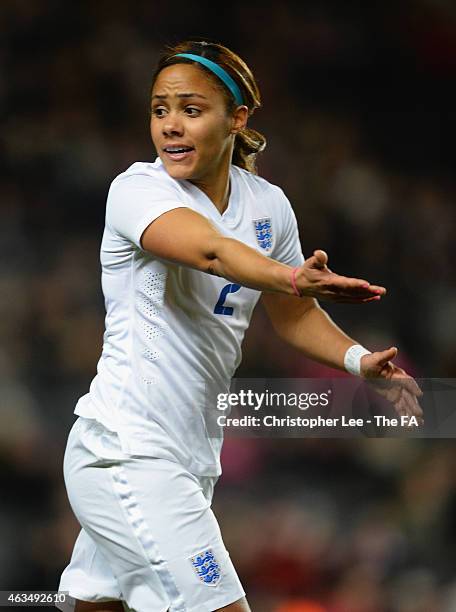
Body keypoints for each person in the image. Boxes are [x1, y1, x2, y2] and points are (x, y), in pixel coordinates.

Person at [57, 40, 422, 612]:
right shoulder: (137, 190)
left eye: (191, 110)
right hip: (128, 450)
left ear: (238, 118)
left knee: (96, 603)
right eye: (160, 110)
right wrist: (292, 278)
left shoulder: (267, 206)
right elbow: (210, 252)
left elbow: (295, 315)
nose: (171, 126)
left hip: (189, 457)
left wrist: (358, 360)